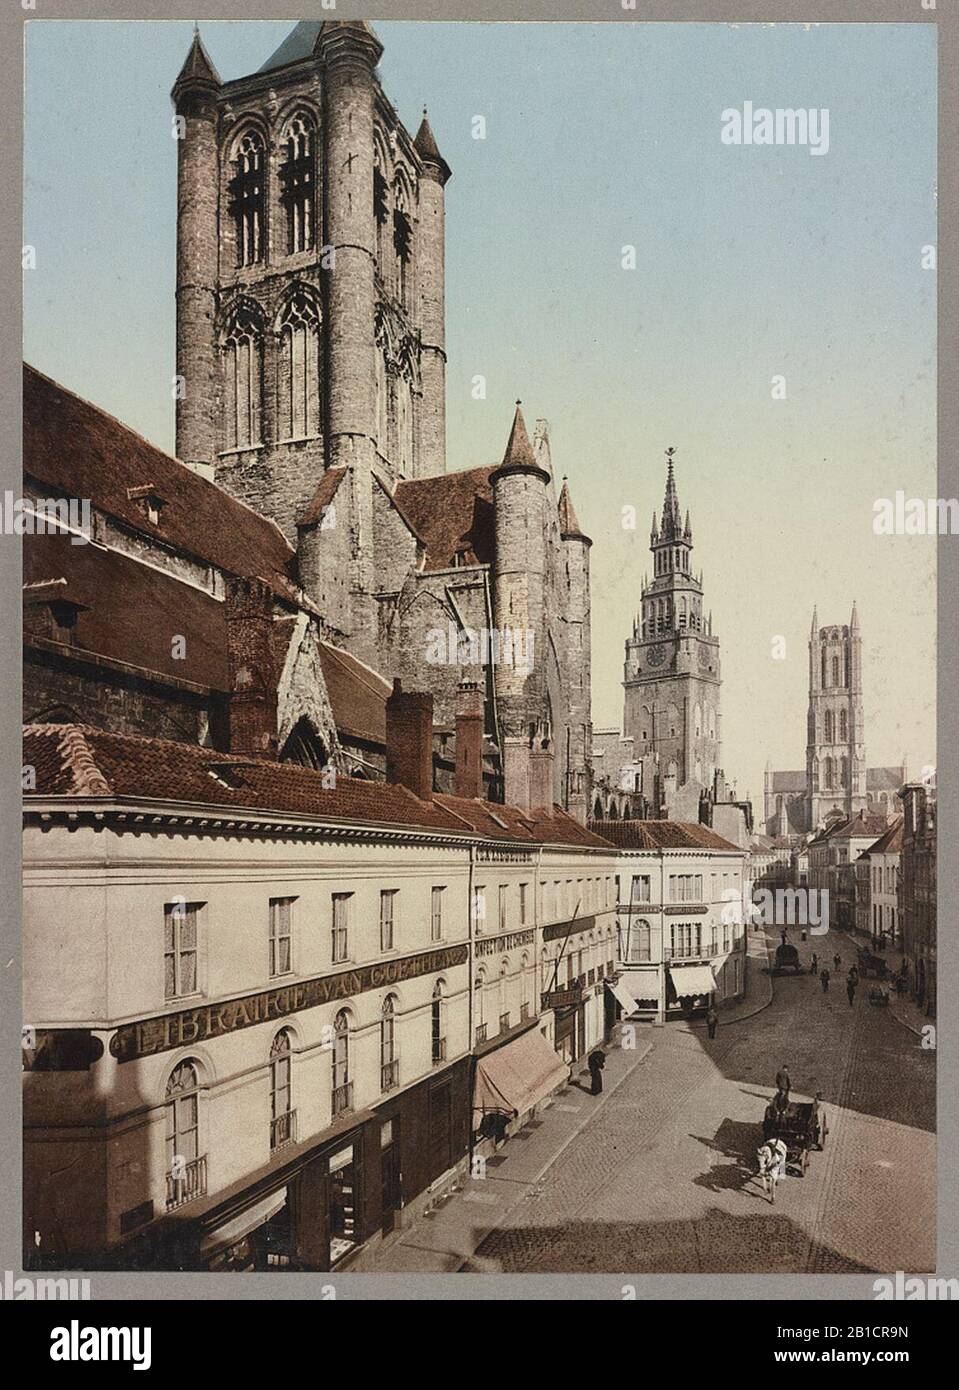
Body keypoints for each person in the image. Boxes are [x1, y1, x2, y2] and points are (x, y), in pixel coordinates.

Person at [757, 1137, 788, 1204]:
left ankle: (773, 1197)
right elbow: (762, 1168)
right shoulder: (762, 1154)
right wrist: (764, 1185)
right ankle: (767, 1188)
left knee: (774, 1178)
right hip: (767, 1154)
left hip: (774, 1162)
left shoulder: (775, 1159)